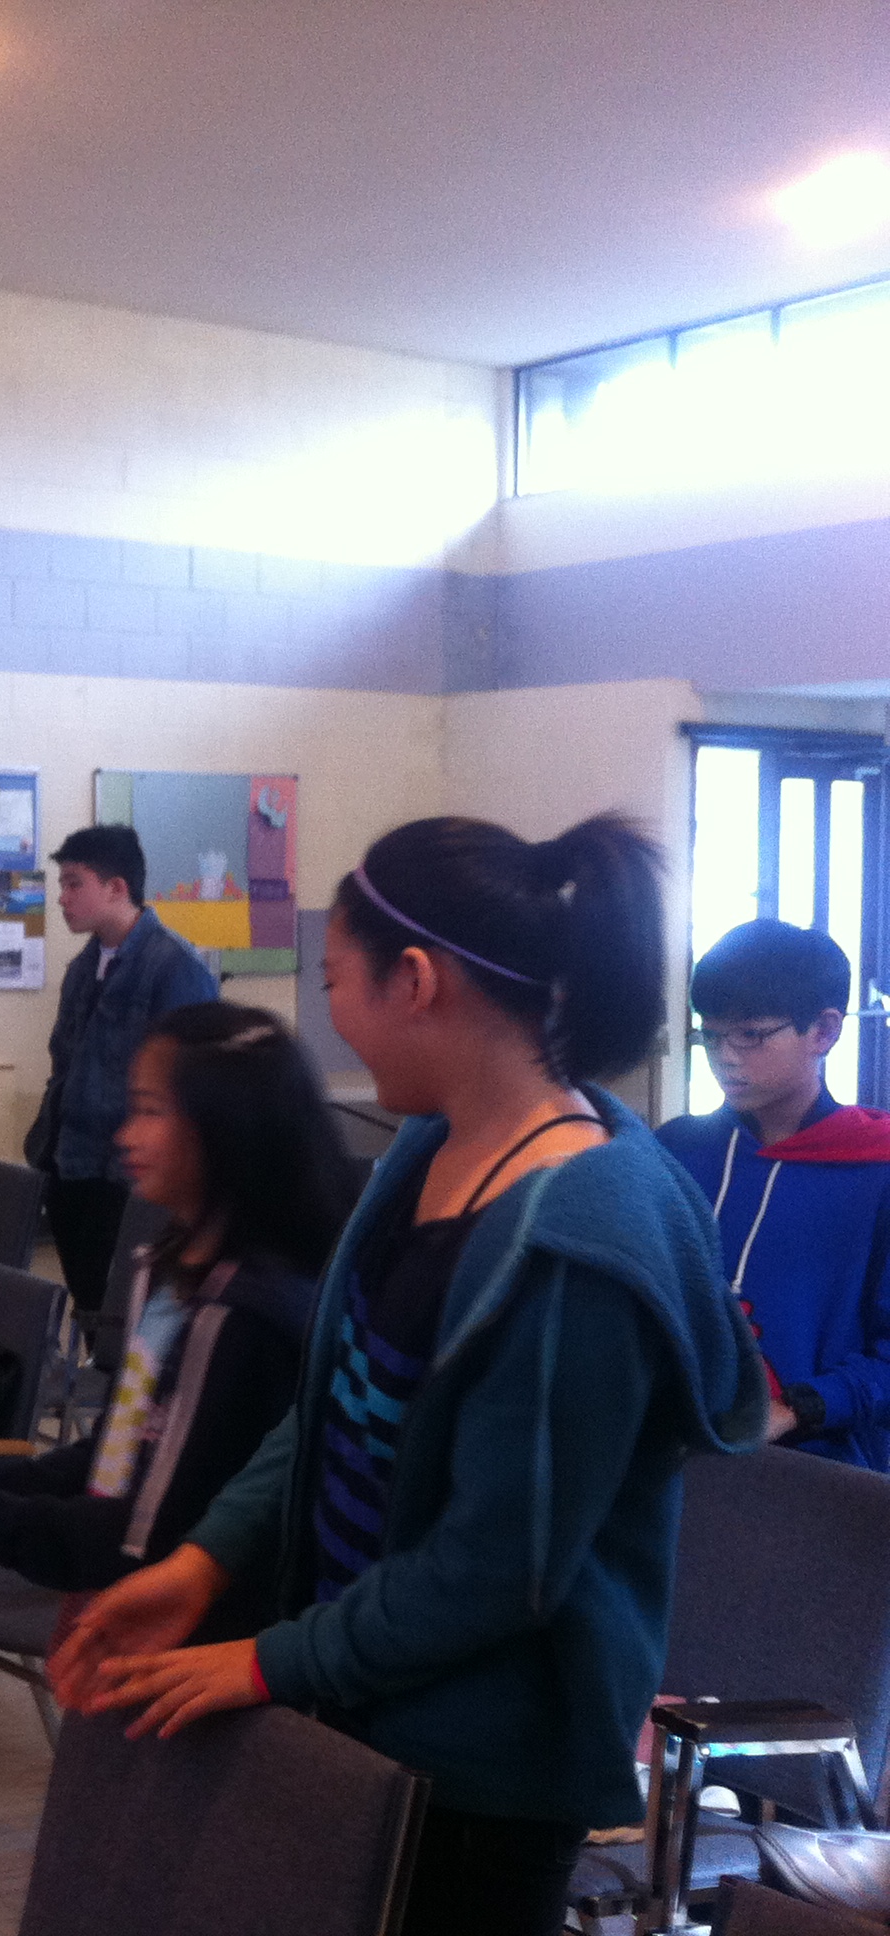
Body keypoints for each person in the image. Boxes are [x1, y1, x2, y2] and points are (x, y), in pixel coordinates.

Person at [46, 814, 764, 1936]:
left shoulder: (577, 1243)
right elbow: (331, 1402)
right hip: (368, 1701)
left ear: (417, 981)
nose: (326, 1011)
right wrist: (203, 1562)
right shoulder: (429, 1146)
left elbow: (493, 1572)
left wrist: (267, 1663)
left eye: (334, 980)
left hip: (483, 1776)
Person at [0, 1003, 349, 1633]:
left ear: (226, 1126)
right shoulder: (170, 1272)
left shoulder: (240, 1316)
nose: (125, 1134)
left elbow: (137, 1540)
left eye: (150, 1111)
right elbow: (117, 1452)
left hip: (199, 1639)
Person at [658, 918, 890, 1470]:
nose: (725, 1055)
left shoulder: (877, 1168)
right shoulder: (675, 1150)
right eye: (711, 1034)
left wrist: (796, 1409)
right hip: (670, 1452)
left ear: (824, 1031)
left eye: (752, 1034)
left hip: (815, 1466)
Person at [27, 824, 220, 1317]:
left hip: (129, 1178)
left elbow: (192, 1087)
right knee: (92, 1307)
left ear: (116, 888)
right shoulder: (82, 968)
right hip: (70, 1167)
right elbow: (62, 1065)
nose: (62, 898)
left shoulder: (175, 967)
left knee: (128, 1314)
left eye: (75, 884)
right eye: (61, 885)